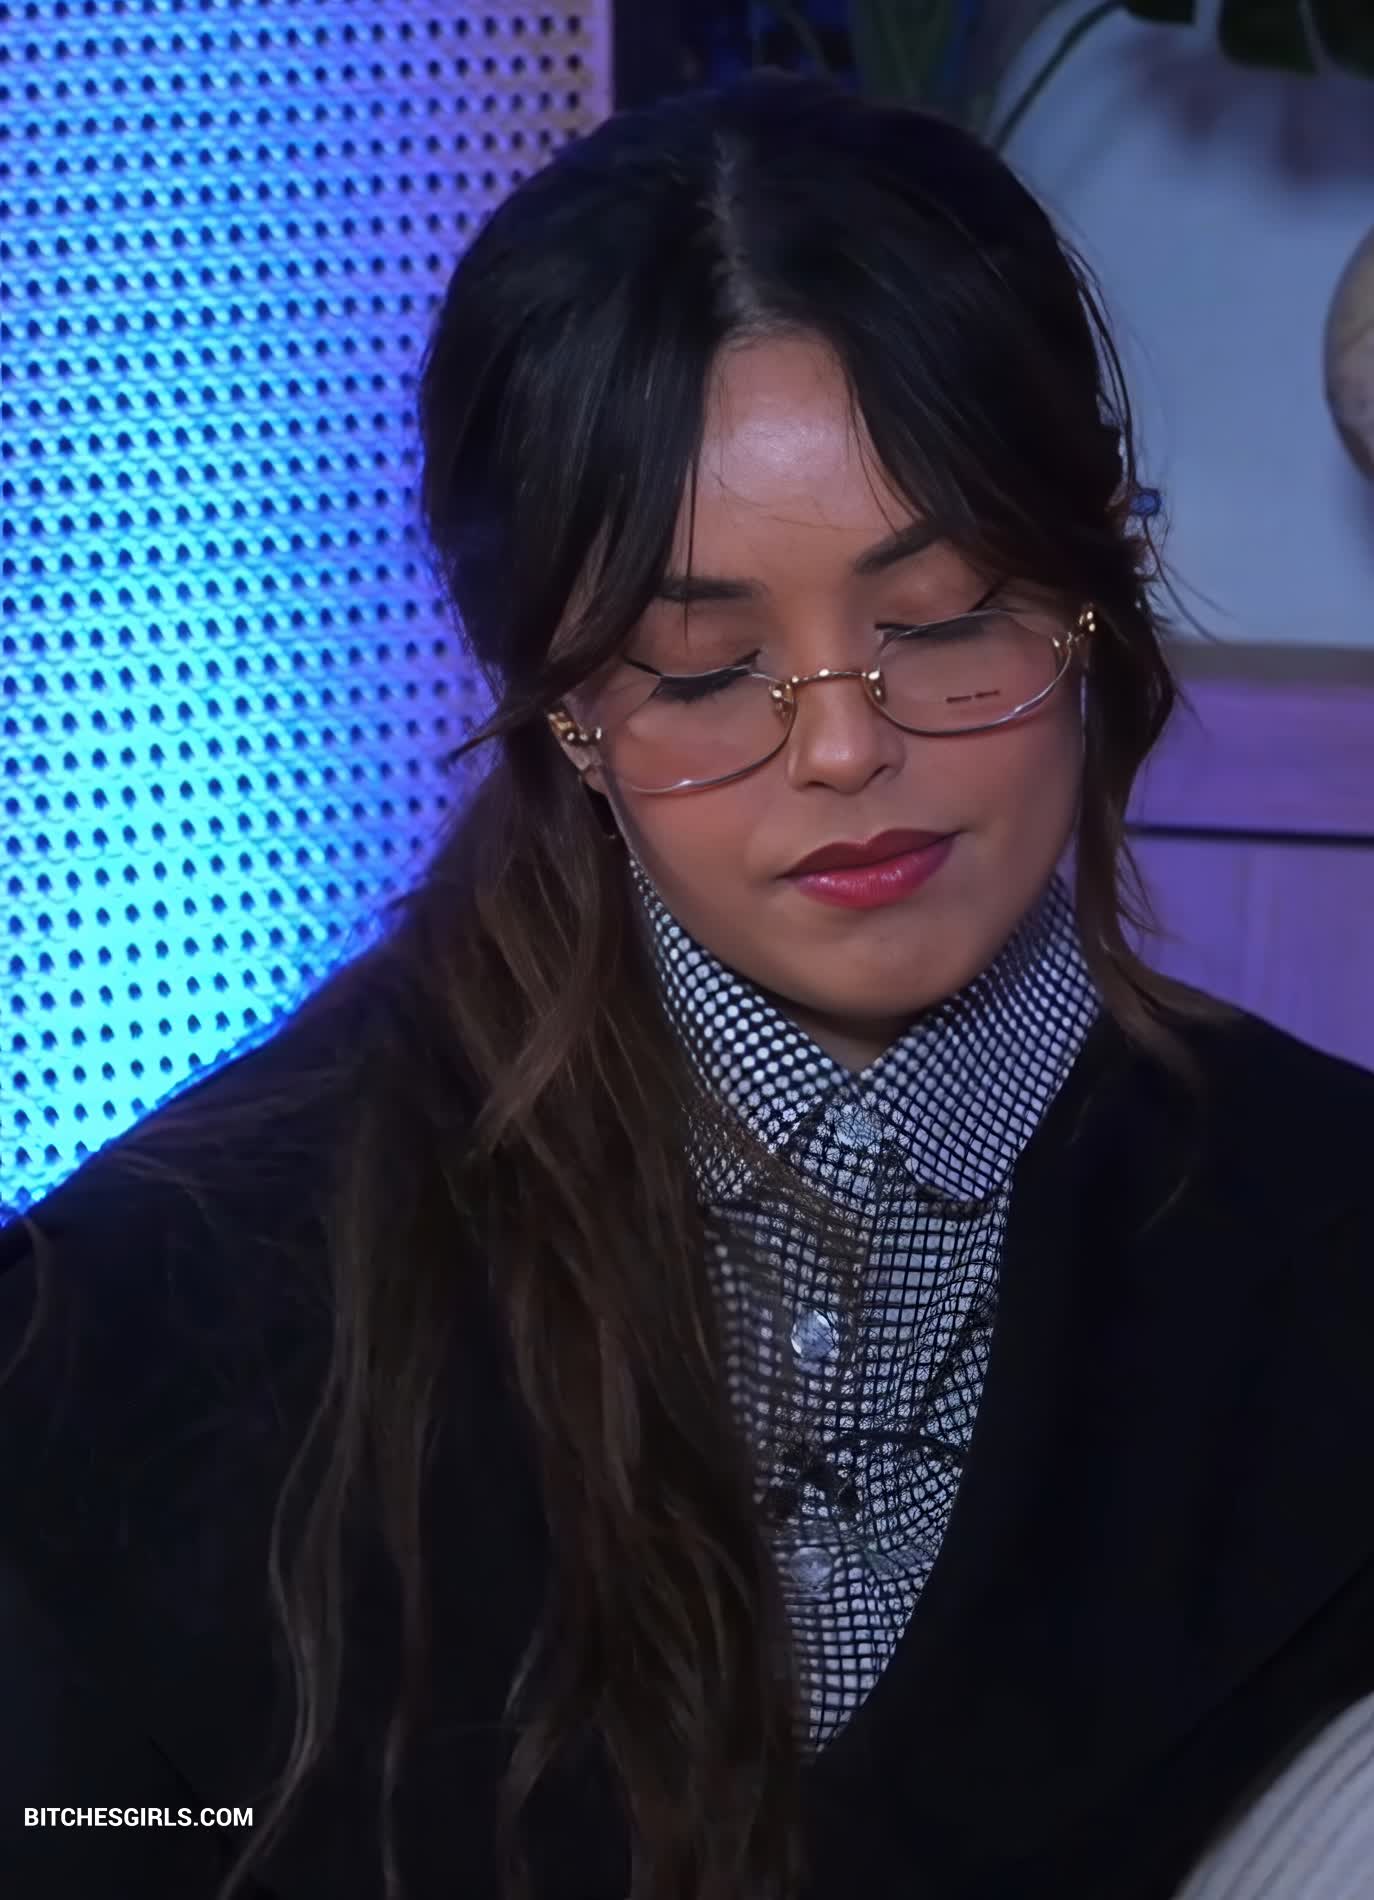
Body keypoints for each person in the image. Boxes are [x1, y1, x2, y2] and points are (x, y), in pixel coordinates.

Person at [1, 67, 1372, 1900]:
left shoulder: (1326, 1236)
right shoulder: (154, 1310)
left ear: (1098, 580)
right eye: (704, 667)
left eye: (943, 618)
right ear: (560, 701)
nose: (842, 750)